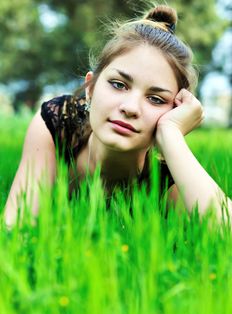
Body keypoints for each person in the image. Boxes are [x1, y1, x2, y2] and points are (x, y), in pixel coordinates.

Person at [4, 5, 232, 227]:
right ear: (90, 88)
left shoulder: (164, 178)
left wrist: (171, 135)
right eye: (118, 84)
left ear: (174, 112)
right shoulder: (59, 123)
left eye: (156, 99)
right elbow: (17, 229)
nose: (131, 107)